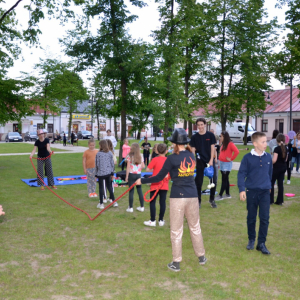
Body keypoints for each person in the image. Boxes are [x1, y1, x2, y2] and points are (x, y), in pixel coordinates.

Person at [136, 128, 207, 272]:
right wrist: (172, 176)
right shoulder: (191, 155)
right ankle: (201, 257)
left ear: (174, 143)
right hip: (193, 195)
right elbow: (183, 173)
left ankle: (176, 263)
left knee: (176, 230)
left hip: (178, 197)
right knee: (195, 226)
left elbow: (158, 177)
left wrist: (141, 181)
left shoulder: (171, 158)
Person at [238, 132, 272, 255]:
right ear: (255, 143)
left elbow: (270, 173)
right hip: (251, 192)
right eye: (263, 142)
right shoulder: (247, 158)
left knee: (265, 218)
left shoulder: (268, 157)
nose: (265, 144)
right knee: (251, 218)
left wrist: (269, 186)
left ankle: (261, 243)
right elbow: (241, 174)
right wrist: (242, 189)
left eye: (266, 141)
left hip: (264, 192)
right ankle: (251, 239)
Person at [189, 118, 217, 208]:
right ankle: (198, 201)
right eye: (198, 125)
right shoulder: (194, 137)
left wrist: (211, 160)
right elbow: (193, 150)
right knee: (198, 182)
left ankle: (212, 199)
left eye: (201, 124)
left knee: (213, 181)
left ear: (205, 124)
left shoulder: (210, 135)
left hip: (209, 162)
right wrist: (193, 161)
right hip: (200, 161)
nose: (200, 126)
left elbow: (213, 148)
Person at [144, 143, 169, 227]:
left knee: (152, 201)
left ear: (157, 151)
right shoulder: (168, 160)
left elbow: (147, 169)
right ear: (166, 151)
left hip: (155, 184)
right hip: (164, 184)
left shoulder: (155, 159)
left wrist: (154, 171)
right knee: (162, 202)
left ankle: (152, 220)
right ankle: (161, 220)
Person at [215, 131, 239, 201]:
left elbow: (237, 151)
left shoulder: (230, 144)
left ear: (224, 137)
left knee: (224, 180)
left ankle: (220, 195)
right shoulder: (223, 144)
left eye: (221, 136)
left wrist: (231, 159)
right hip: (222, 163)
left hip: (227, 164)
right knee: (226, 179)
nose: (220, 137)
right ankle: (227, 194)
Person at [95, 140, 117, 209]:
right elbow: (112, 164)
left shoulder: (98, 154)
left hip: (101, 173)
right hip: (108, 173)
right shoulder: (110, 153)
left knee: (101, 188)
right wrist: (112, 173)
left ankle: (101, 203)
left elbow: (97, 164)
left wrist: (96, 174)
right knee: (109, 187)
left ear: (101, 145)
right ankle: (114, 202)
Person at [125, 143, 145, 212]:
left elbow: (128, 167)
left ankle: (130, 208)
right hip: (138, 175)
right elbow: (143, 166)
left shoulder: (130, 156)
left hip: (131, 174)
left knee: (131, 191)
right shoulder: (141, 156)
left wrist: (127, 176)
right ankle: (142, 207)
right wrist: (139, 170)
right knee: (139, 190)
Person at [270, 134, 288, 205]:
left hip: (276, 168)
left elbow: (274, 160)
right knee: (280, 184)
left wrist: (269, 163)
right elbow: (286, 159)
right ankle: (280, 201)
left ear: (277, 140)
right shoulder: (286, 148)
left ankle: (270, 200)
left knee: (271, 183)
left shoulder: (277, 149)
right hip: (283, 167)